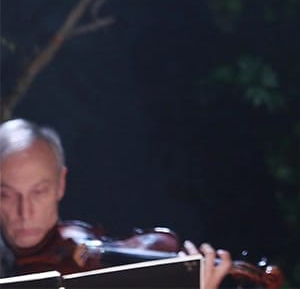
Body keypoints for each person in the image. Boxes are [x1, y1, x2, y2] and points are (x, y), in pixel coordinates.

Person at [0, 118, 232, 288]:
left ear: (61, 183)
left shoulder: (94, 261)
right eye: (6, 195)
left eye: (39, 191)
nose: (25, 212)